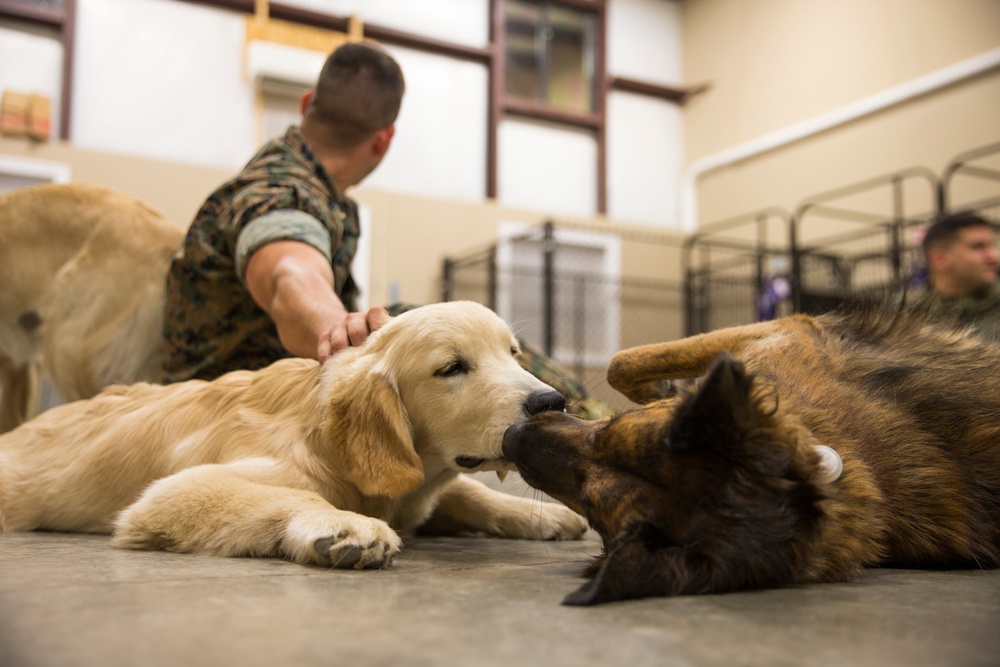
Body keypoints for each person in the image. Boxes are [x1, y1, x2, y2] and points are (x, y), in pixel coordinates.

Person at [161, 41, 611, 418]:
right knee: (418, 326)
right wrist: (342, 332)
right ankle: (591, 422)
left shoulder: (295, 188)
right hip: (225, 413)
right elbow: (290, 277)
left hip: (247, 398)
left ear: (305, 105)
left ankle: (583, 418)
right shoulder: (279, 192)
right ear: (384, 139)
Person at [912, 211, 1000, 340]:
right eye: (978, 247)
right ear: (940, 259)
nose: (993, 256)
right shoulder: (903, 314)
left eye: (991, 246)